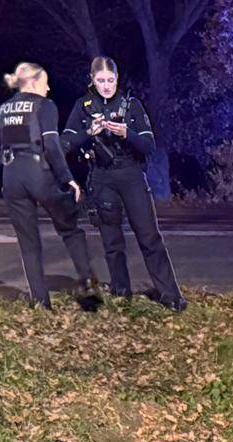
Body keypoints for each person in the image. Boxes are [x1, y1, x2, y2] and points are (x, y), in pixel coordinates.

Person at [63, 57, 186, 310]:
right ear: (92, 80)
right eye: (101, 81)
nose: (106, 86)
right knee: (111, 240)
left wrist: (126, 133)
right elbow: (65, 142)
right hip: (101, 176)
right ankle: (121, 294)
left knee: (149, 236)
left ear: (117, 79)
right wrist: (89, 133)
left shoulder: (131, 105)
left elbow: (149, 145)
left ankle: (171, 297)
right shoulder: (83, 106)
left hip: (131, 174)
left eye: (110, 80)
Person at [0, 62, 101, 310]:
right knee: (70, 229)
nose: (49, 87)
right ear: (33, 83)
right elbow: (52, 146)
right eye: (45, 83)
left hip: (10, 175)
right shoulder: (45, 106)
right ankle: (88, 290)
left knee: (28, 242)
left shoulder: (4, 109)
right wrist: (68, 179)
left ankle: (41, 303)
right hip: (37, 173)